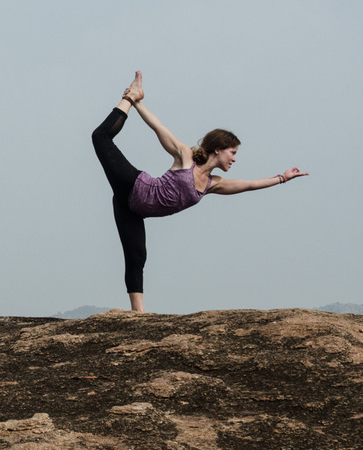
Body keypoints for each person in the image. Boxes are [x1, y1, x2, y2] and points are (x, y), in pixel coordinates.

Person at [92, 71, 308, 312]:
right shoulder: (185, 157)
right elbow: (158, 127)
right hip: (133, 185)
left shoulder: (212, 184)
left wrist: (282, 178)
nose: (234, 159)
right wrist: (136, 101)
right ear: (218, 149)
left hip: (131, 209)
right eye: (233, 152)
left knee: (137, 257)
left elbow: (248, 184)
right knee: (100, 137)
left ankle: (138, 315)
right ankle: (127, 99)